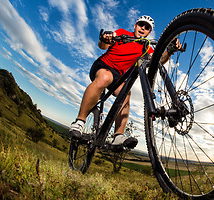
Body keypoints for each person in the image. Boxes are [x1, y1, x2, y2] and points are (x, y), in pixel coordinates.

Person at [69, 15, 181, 151]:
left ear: (149, 32)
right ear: (135, 26)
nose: (143, 28)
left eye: (147, 28)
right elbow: (103, 45)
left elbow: (157, 60)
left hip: (119, 77)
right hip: (104, 66)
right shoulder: (123, 33)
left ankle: (118, 136)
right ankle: (79, 122)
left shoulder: (145, 47)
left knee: (126, 94)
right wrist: (105, 38)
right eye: (141, 25)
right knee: (105, 78)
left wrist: (169, 51)